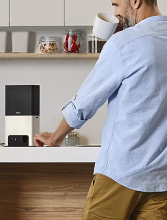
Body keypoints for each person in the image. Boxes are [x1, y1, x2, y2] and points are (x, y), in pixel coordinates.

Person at [34, 0, 167, 219]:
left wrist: (55, 137)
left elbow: (85, 103)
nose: (115, 13)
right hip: (161, 179)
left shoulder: (124, 43)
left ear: (135, 1)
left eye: (116, 5)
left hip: (121, 174)